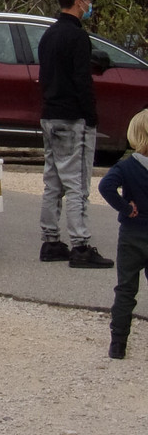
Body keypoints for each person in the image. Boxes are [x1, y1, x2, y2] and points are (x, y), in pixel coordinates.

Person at [37, 0, 113, 268]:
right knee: (78, 182)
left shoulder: (48, 35)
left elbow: (45, 77)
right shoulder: (78, 37)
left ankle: (50, 240)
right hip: (72, 117)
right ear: (78, 1)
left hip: (50, 114)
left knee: (53, 181)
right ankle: (81, 245)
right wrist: (90, 115)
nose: (90, 4)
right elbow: (82, 80)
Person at [98, 109, 148, 358]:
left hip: (131, 235)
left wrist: (126, 208)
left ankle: (118, 344)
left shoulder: (126, 166)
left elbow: (105, 186)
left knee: (126, 289)